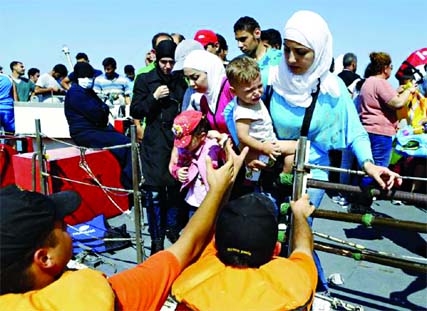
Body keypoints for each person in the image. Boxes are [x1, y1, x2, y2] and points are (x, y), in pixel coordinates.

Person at [0, 141, 249, 310]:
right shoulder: (107, 298)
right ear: (44, 258)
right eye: (63, 227)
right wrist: (220, 188)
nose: (69, 230)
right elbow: (187, 246)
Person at [265, 10, 402, 292]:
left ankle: (314, 291)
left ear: (319, 51)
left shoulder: (331, 89)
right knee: (267, 234)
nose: (291, 59)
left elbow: (355, 132)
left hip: (310, 175)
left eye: (301, 52)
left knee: (298, 232)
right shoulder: (270, 78)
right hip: (269, 170)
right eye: (287, 50)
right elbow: (237, 111)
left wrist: (370, 164)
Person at [172, 192, 317, 310]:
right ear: (276, 249)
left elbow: (199, 233)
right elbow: (303, 248)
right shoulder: (296, 280)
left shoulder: (196, 281)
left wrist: (220, 185)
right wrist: (299, 215)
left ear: (215, 243)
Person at [131, 40, 188, 253]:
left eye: (171, 62)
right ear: (156, 59)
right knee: (154, 192)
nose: (167, 66)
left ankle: (172, 228)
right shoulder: (145, 79)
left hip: (176, 141)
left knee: (174, 188)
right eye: (164, 62)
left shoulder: (180, 81)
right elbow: (136, 111)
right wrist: (153, 98)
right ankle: (156, 237)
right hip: (154, 141)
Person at [357, 52, 416, 210]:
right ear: (385, 68)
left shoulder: (368, 82)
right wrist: (409, 91)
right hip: (380, 132)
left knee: (367, 168)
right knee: (379, 168)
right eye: (391, 67)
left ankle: (359, 202)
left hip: (367, 129)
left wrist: (398, 91)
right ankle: (363, 204)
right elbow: (396, 103)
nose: (391, 70)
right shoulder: (380, 83)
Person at [226, 56, 296, 183]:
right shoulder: (243, 111)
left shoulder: (249, 100)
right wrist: (264, 148)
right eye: (250, 90)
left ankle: (277, 177)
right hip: (263, 147)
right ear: (233, 91)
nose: (257, 92)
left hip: (264, 146)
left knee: (257, 179)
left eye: (259, 86)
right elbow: (242, 136)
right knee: (296, 147)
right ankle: (285, 178)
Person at [64, 62, 133, 190]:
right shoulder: (76, 93)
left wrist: (103, 109)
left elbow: (102, 109)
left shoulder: (86, 91)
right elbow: (98, 114)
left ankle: (129, 179)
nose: (91, 79)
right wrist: (103, 110)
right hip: (85, 133)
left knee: (125, 141)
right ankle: (128, 184)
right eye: (88, 76)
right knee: (126, 144)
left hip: (96, 129)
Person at [169, 110, 225, 215]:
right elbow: (176, 164)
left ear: (202, 136)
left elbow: (227, 157)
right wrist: (177, 172)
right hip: (195, 201)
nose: (183, 146)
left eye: (187, 142)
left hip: (213, 199)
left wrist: (222, 138)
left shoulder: (212, 147)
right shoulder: (185, 149)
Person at [182, 49, 234, 134]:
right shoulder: (204, 100)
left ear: (210, 72)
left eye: (195, 77)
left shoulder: (230, 88)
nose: (191, 84)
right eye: (188, 79)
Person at [233, 16, 283, 90]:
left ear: (257, 33)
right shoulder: (238, 64)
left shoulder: (280, 58)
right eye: (237, 40)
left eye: (243, 39)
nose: (239, 45)